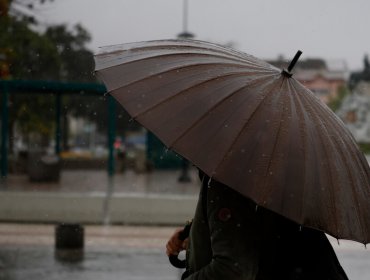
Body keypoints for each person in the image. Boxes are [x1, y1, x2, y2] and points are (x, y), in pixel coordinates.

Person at [166, 169, 349, 280]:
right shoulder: (264, 164)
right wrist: (196, 235)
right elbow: (252, 228)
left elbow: (233, 270)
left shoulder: (229, 177)